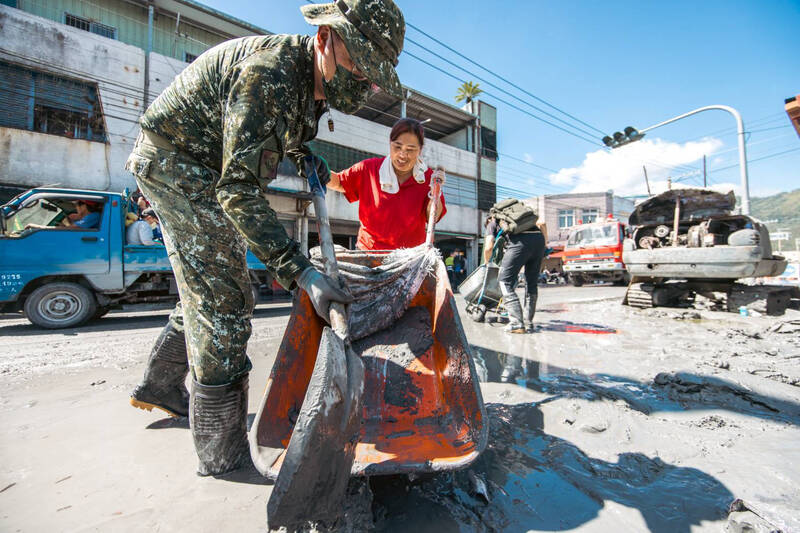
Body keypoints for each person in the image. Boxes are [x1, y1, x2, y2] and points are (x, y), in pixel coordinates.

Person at [124, 0, 406, 476]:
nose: (363, 81)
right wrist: (302, 271)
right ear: (324, 39)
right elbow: (237, 190)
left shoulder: (309, 86)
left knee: (208, 279)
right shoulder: (269, 76)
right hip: (177, 161)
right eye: (357, 63)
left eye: (372, 74)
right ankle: (222, 455)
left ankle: (160, 385)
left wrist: (306, 156)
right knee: (223, 296)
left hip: (209, 163)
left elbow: (280, 135)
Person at [326, 117, 445, 250]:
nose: (402, 155)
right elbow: (339, 182)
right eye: (397, 147)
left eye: (410, 149)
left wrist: (435, 191)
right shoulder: (368, 169)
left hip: (410, 258)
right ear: (390, 143)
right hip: (369, 255)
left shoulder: (428, 178)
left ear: (420, 150)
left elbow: (432, 218)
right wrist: (317, 168)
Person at [484, 214, 546, 334]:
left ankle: (517, 323)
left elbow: (488, 247)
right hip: (539, 241)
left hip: (519, 242)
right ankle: (528, 322)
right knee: (531, 283)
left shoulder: (493, 223)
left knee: (504, 281)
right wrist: (545, 243)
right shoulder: (523, 219)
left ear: (489, 219)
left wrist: (487, 263)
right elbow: (542, 223)